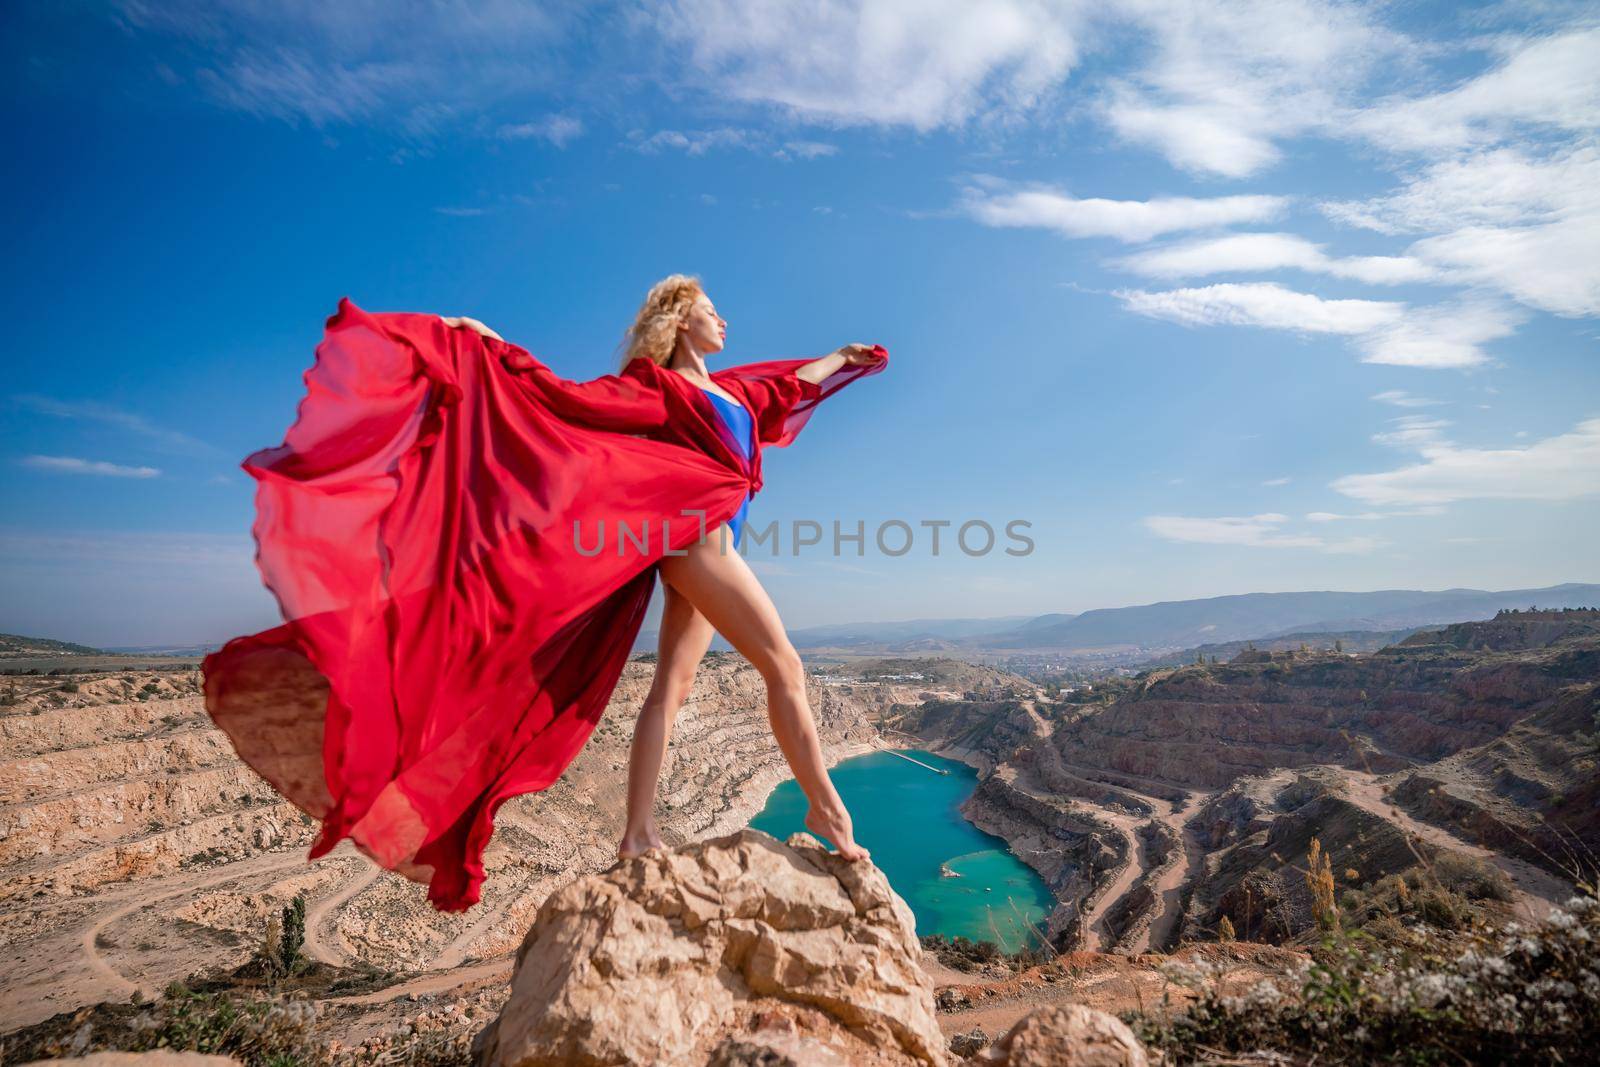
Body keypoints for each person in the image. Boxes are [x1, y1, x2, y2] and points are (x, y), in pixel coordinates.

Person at [201, 273, 887, 911]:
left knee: (669, 693)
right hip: (695, 541)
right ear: (680, 320)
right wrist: (485, 343)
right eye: (712, 310)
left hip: (713, 546)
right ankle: (824, 807)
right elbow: (567, 397)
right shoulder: (657, 387)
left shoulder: (733, 391)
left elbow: (790, 385)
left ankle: (638, 834)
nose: (725, 320)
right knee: (786, 666)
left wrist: (841, 355)